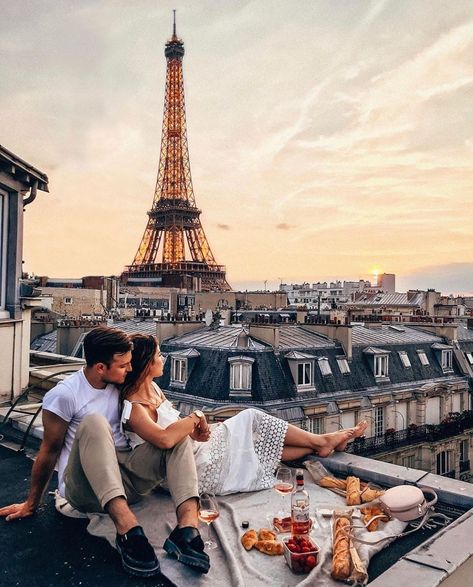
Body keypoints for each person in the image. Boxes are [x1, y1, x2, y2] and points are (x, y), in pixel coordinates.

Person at [0, 326, 210, 578]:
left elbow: (159, 426)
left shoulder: (121, 385)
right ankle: (128, 530)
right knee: (94, 422)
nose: (129, 369)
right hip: (86, 488)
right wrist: (31, 504)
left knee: (177, 439)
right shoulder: (65, 395)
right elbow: (49, 450)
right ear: (100, 367)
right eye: (123, 366)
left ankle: (186, 531)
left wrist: (191, 426)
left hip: (128, 481)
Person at [120, 334, 368, 497]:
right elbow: (164, 440)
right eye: (158, 355)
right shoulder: (135, 408)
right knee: (250, 418)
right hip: (188, 468)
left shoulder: (153, 388)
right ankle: (321, 441)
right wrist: (196, 416)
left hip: (196, 448)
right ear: (146, 364)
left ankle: (319, 445)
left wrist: (202, 426)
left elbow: (174, 428)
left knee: (255, 444)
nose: (163, 358)